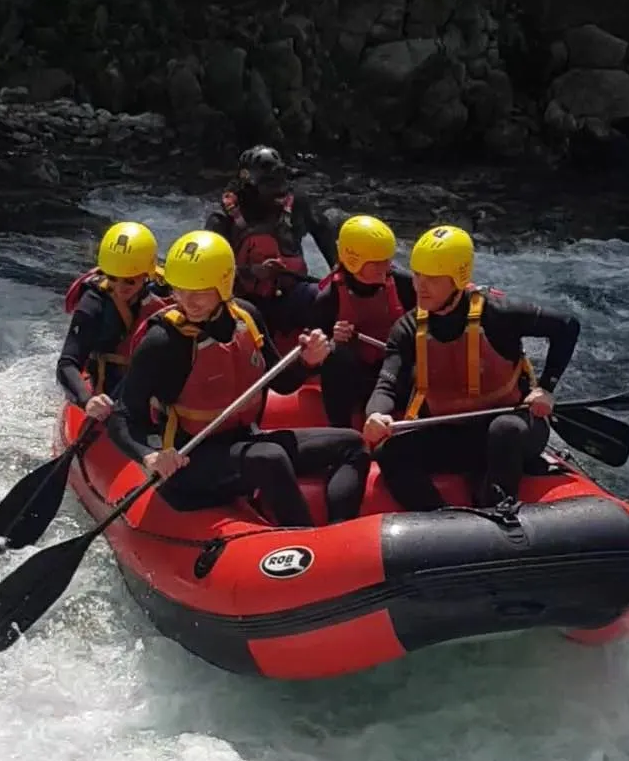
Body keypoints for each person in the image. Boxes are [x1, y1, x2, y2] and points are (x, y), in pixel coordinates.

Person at [110, 229, 369, 526]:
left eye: (199, 291)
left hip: (244, 444)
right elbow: (123, 416)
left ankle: (340, 533)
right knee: (268, 458)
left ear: (222, 285)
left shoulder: (247, 317)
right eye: (180, 290)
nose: (187, 301)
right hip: (190, 463)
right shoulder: (164, 341)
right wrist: (151, 456)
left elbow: (282, 383)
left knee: (352, 443)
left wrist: (309, 362)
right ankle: (306, 543)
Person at [361, 224, 581, 510]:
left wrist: (546, 389)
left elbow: (567, 326)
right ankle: (442, 518)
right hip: (456, 434)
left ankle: (500, 510)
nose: (420, 286)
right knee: (390, 452)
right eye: (417, 275)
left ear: (457, 278)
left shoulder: (498, 313)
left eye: (432, 278)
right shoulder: (407, 329)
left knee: (504, 430)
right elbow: (387, 384)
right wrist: (376, 414)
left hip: (515, 428)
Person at [204, 145, 339, 336]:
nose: (280, 191)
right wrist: (252, 272)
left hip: (292, 292)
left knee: (333, 301)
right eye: (270, 185)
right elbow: (210, 273)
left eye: (281, 182)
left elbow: (324, 233)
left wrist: (338, 270)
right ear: (248, 186)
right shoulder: (222, 219)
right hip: (243, 301)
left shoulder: (297, 204)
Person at [310, 214, 416, 426]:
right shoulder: (328, 297)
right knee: (336, 355)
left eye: (387, 260)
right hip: (359, 378)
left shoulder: (404, 284)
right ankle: (341, 431)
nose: (386, 268)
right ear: (353, 261)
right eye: (377, 263)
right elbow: (313, 359)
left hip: (397, 373)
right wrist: (332, 340)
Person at [57, 221, 169, 422]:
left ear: (147, 274)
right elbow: (67, 363)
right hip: (110, 396)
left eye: (130, 281)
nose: (119, 287)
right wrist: (86, 400)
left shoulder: (165, 291)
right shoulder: (93, 303)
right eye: (113, 278)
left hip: (156, 394)